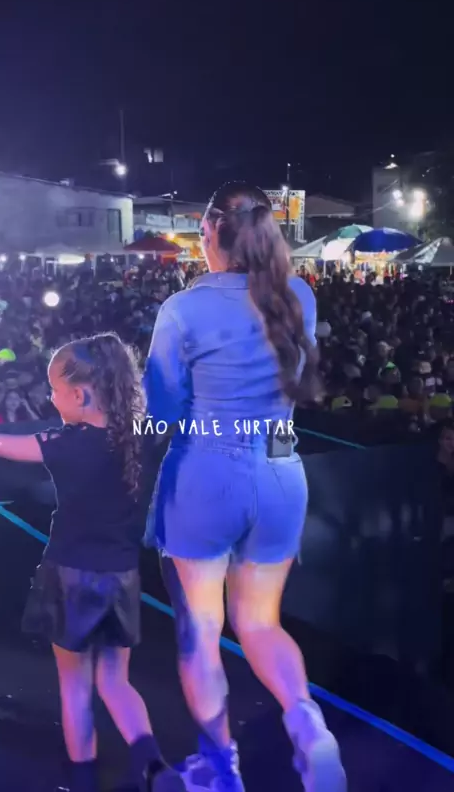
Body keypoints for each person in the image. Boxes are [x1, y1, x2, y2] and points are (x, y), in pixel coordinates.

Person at [144, 183, 346, 792]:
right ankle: (308, 724)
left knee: (202, 633)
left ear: (210, 230)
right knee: (260, 623)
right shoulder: (298, 296)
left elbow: (162, 409)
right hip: (281, 472)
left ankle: (219, 768)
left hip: (206, 476)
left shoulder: (183, 309)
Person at [0, 332, 185, 792]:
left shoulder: (66, 444)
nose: (51, 399)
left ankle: (84, 779)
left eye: (55, 390)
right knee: (116, 682)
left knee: (74, 688)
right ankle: (153, 764)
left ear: (81, 394)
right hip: (122, 577)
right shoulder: (143, 437)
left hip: (70, 576)